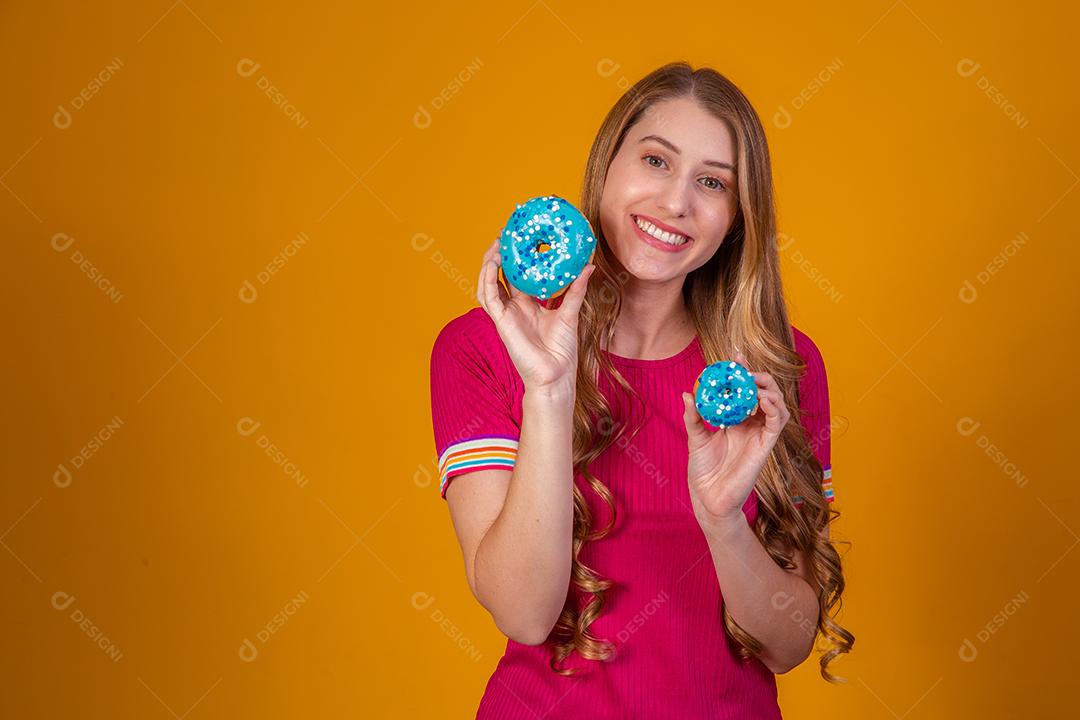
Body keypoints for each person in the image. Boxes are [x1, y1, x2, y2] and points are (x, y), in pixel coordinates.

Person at [428, 61, 854, 719]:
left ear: (738, 218)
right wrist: (548, 389)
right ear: (607, 166)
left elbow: (788, 643)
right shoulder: (484, 348)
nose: (676, 203)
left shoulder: (779, 368)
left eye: (711, 182)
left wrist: (722, 522)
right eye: (656, 161)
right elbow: (522, 612)